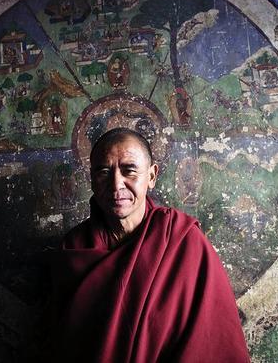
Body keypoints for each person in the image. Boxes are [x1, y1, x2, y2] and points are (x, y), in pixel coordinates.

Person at [46, 127, 250, 362]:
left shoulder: (184, 241)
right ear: (91, 178)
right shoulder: (74, 250)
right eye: (104, 172)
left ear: (151, 176)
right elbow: (66, 346)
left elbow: (212, 337)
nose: (116, 185)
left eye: (129, 171)